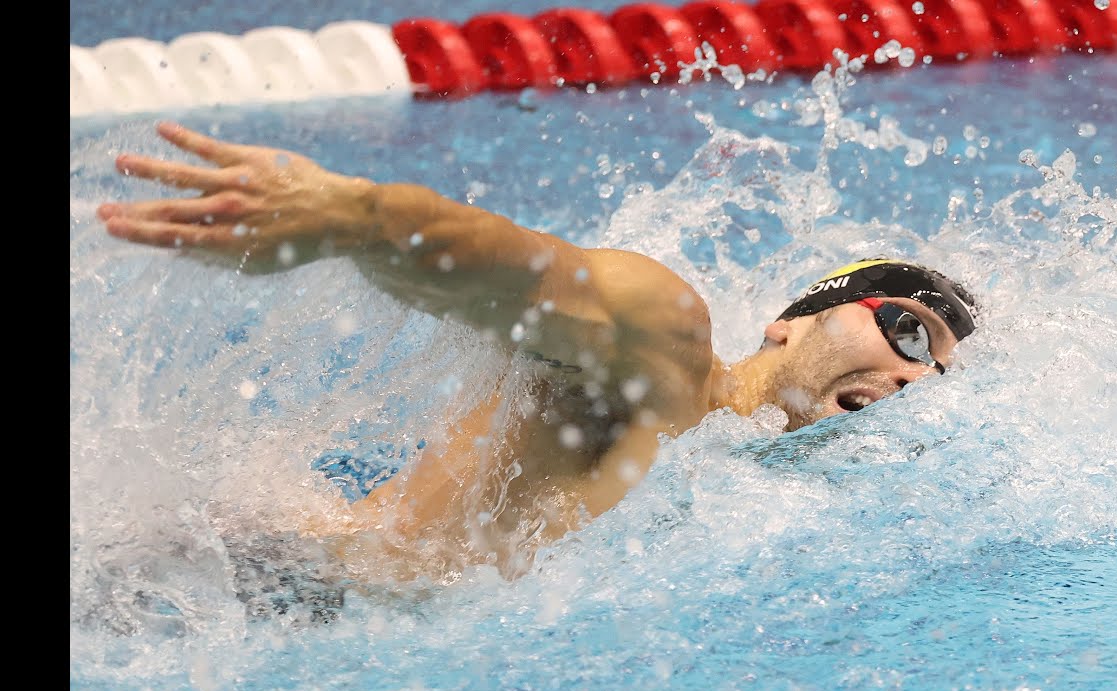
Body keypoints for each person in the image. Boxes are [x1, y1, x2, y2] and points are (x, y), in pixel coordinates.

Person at [97, 121, 978, 587]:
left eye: (933, 372)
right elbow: (532, 277)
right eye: (907, 329)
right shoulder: (672, 361)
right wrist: (361, 217)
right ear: (791, 321)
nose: (912, 373)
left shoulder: (758, 502)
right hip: (261, 584)